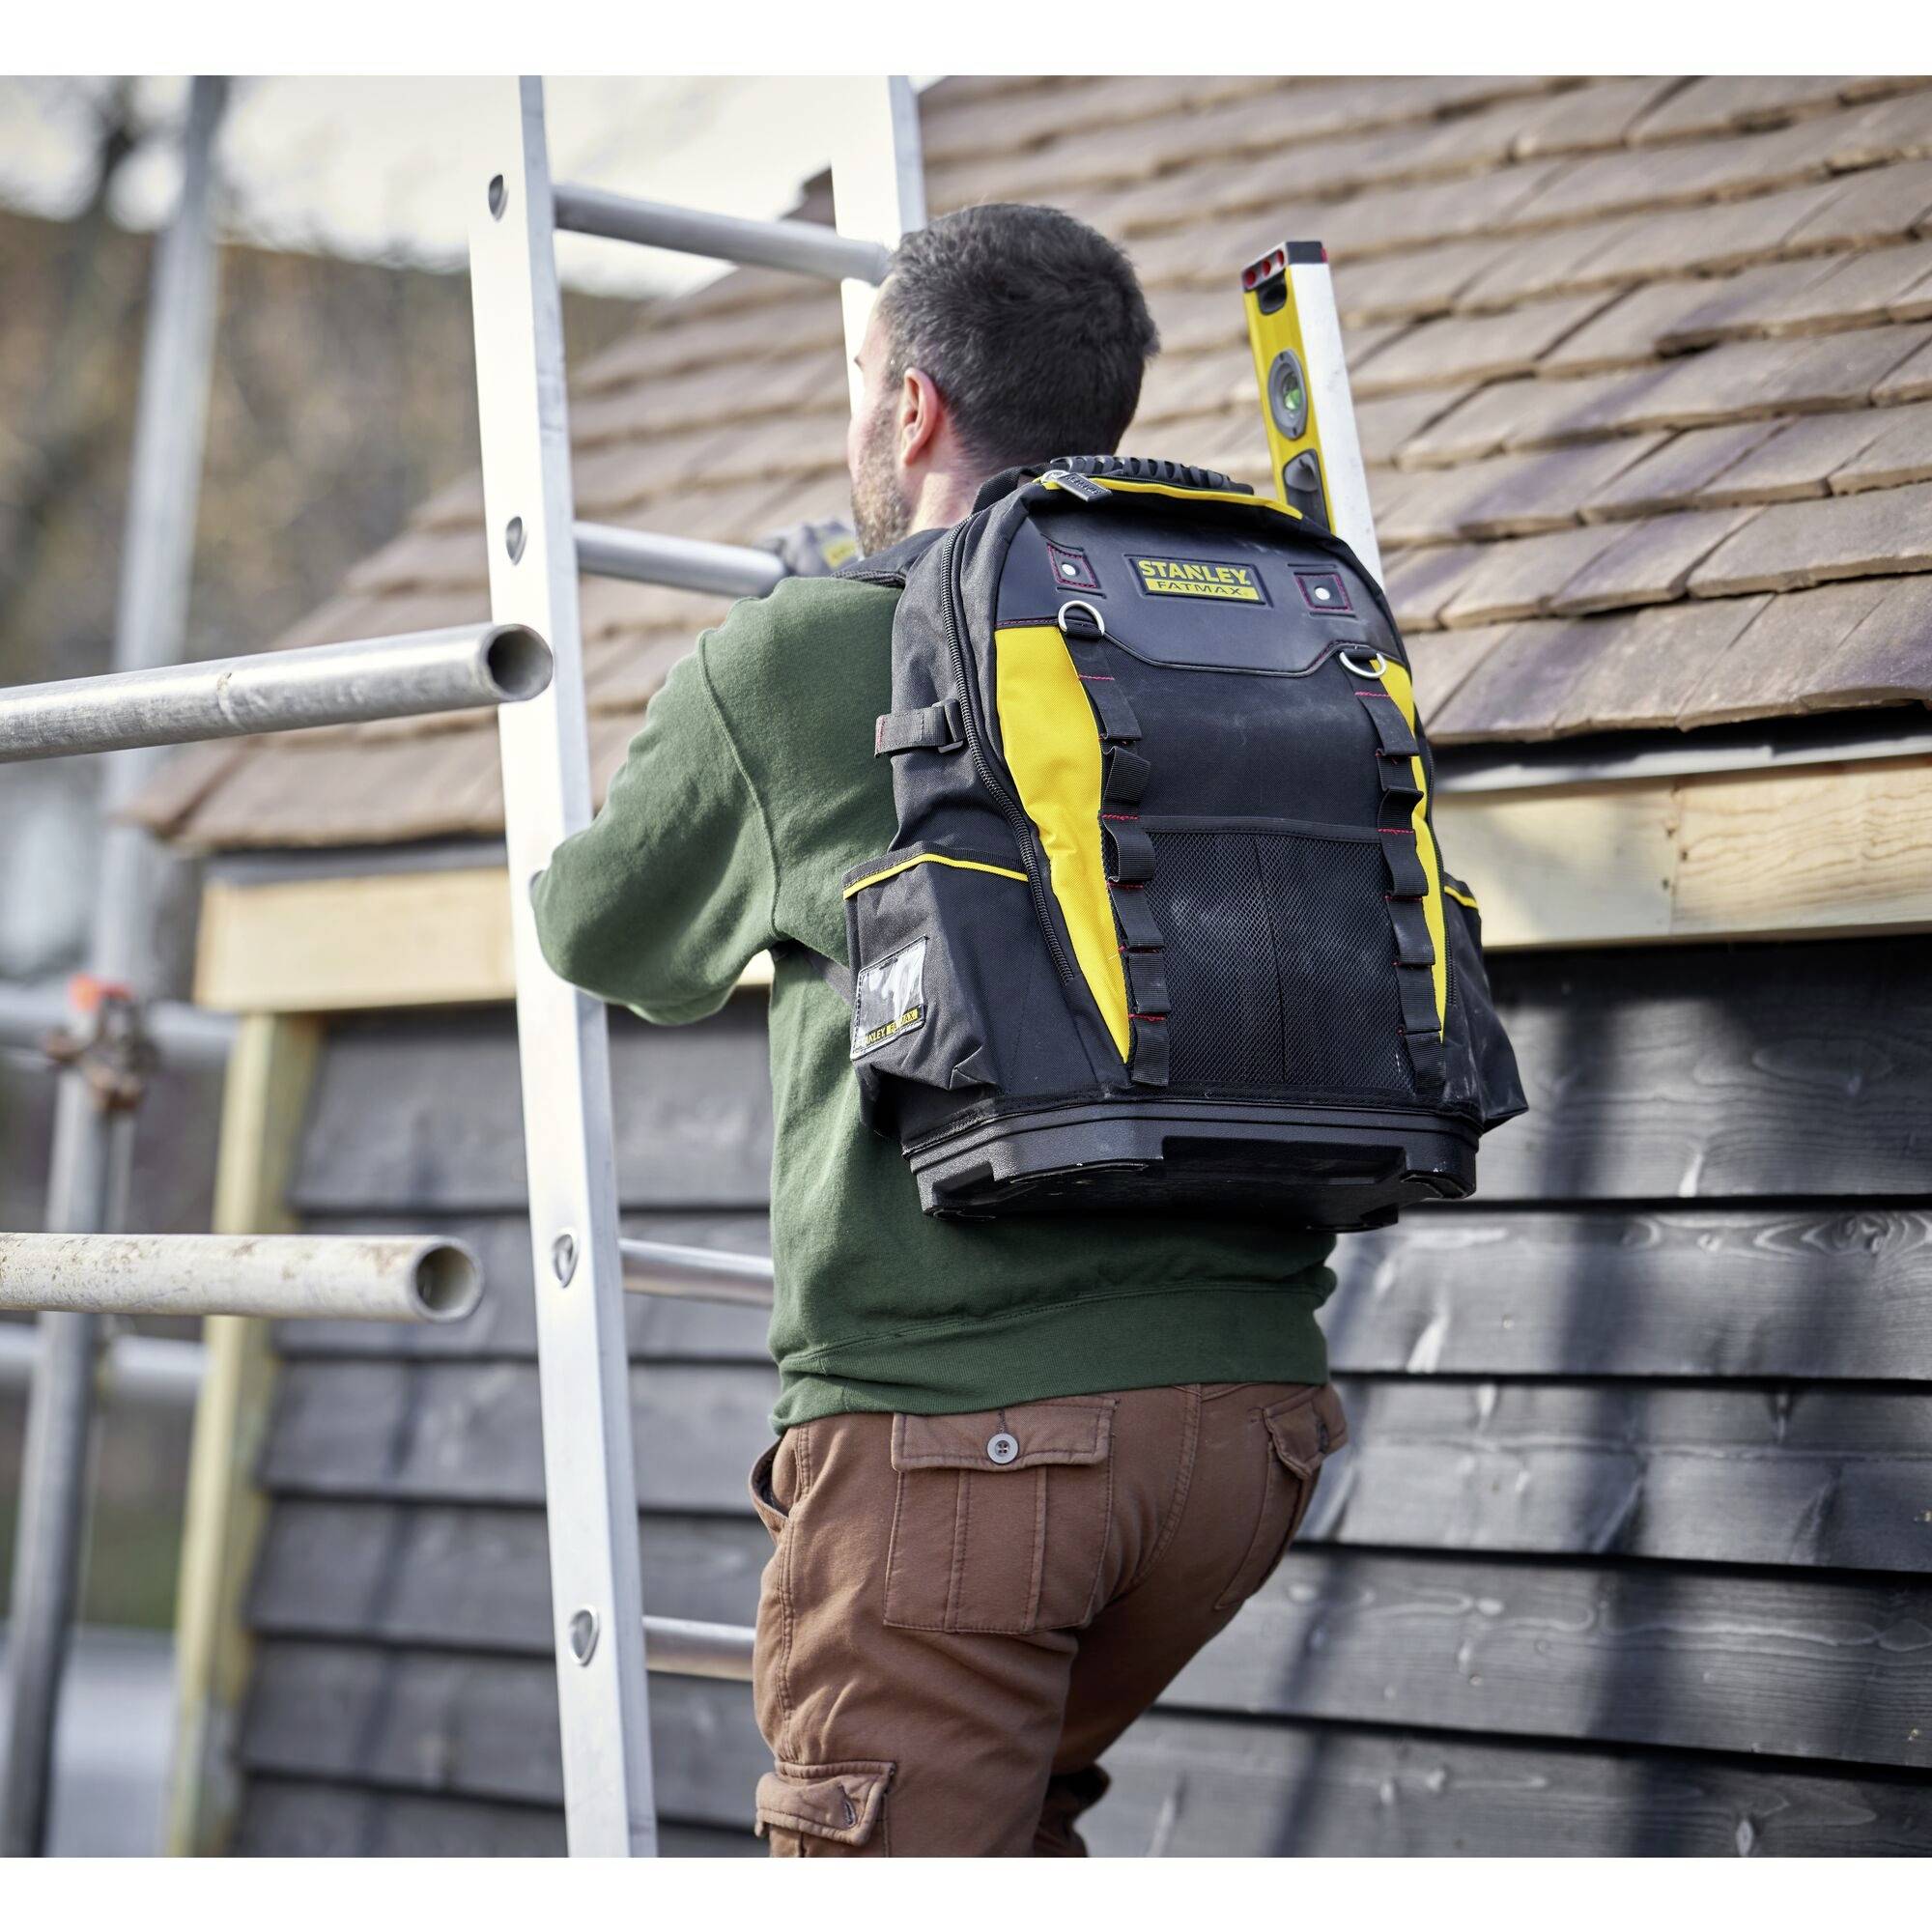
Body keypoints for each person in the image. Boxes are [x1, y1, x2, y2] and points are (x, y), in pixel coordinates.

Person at [532, 201, 1347, 1858]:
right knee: (1009, 1831)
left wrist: (761, 692)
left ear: (913, 408)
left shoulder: (809, 653)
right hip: (1249, 1437)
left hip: (966, 1442)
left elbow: (599, 932)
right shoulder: (1260, 617)